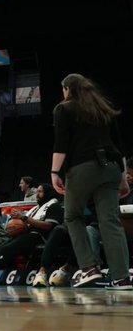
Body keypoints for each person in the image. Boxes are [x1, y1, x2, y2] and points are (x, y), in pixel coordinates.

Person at [51, 74, 130, 288]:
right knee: (110, 221)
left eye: (63, 89)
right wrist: (123, 178)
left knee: (73, 216)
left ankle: (89, 268)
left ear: (68, 89)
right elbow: (119, 146)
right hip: (112, 168)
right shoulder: (103, 108)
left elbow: (61, 145)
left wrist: (54, 172)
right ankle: (122, 276)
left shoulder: (64, 109)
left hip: (82, 167)